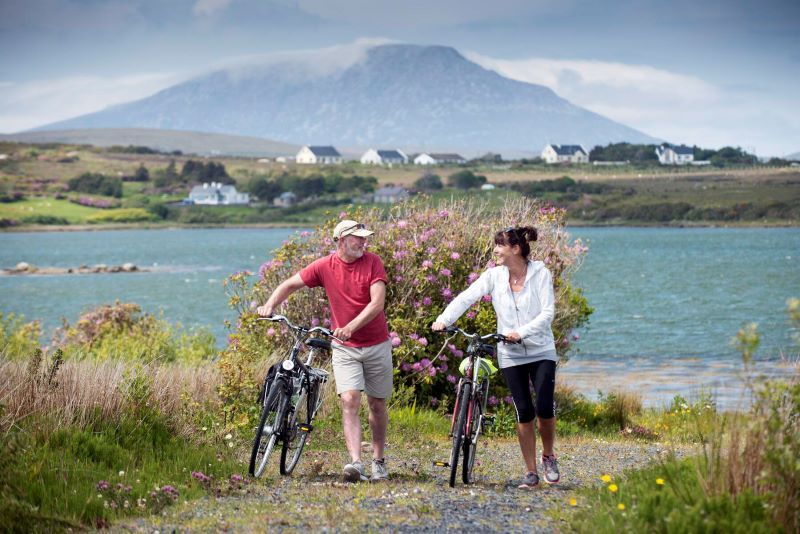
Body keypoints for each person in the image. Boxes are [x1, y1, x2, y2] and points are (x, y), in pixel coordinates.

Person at [257, 219, 392, 483]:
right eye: (358, 238)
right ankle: (356, 463)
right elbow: (290, 284)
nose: (364, 242)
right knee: (349, 399)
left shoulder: (373, 262)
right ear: (341, 240)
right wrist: (270, 305)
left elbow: (377, 303)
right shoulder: (324, 266)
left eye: (364, 238)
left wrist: (351, 327)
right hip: (345, 348)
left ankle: (378, 461)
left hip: (376, 344)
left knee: (377, 404)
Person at [432, 226, 560, 489]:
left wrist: (521, 332)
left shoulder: (540, 274)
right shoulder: (494, 276)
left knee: (545, 407)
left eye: (500, 245)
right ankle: (531, 472)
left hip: (541, 349)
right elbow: (467, 297)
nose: (495, 250)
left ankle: (548, 455)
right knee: (524, 411)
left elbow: (547, 313)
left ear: (516, 249)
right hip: (510, 353)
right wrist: (444, 319)